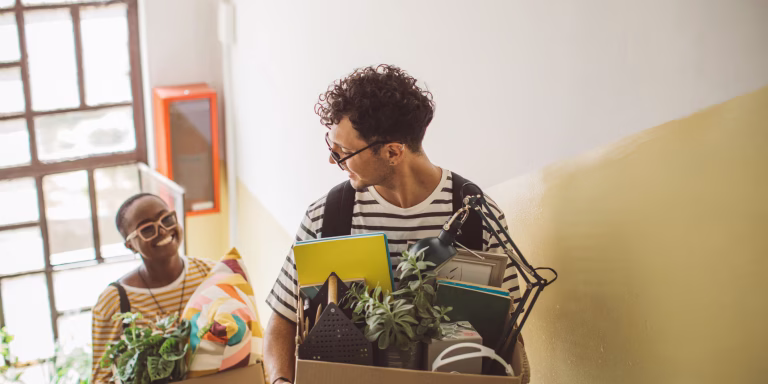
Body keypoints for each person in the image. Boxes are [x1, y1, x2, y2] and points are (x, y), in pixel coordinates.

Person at [263, 64, 521, 384]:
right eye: (330, 147)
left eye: (343, 151)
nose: (333, 160)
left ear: (393, 151)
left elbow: (511, 334)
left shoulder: (477, 217)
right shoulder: (325, 216)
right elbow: (282, 320)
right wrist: (280, 382)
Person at [91, 193, 216, 383]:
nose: (163, 230)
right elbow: (102, 377)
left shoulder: (211, 273)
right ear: (130, 245)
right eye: (147, 229)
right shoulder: (115, 301)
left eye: (166, 219)